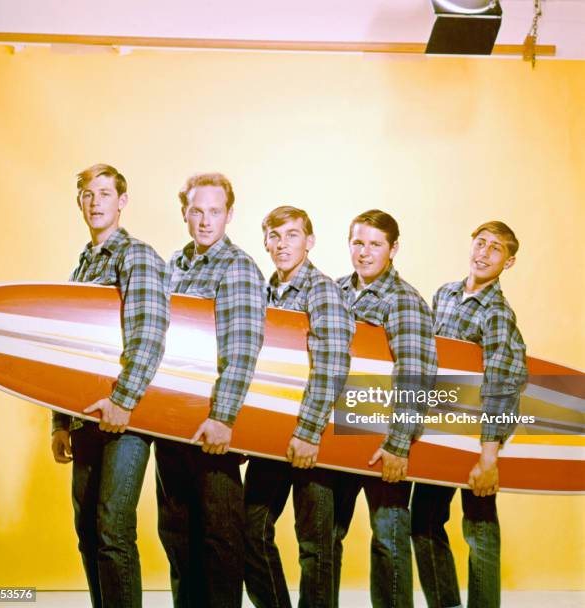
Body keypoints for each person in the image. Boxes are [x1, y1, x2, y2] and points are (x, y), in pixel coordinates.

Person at [51, 163, 169, 608]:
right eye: (87, 193)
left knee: (111, 530)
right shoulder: (81, 266)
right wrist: (59, 422)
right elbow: (68, 353)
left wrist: (123, 401)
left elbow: (150, 334)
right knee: (87, 531)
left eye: (104, 193)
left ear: (121, 201)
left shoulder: (136, 256)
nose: (95, 201)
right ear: (79, 201)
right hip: (84, 416)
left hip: (126, 417)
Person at [156, 172, 266, 608]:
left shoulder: (237, 267)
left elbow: (242, 348)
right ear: (185, 213)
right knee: (177, 534)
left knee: (219, 540)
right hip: (170, 425)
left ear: (229, 215)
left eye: (214, 212)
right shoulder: (173, 266)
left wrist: (223, 417)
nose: (205, 221)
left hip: (212, 426)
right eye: (197, 211)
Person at [410, 221, 528, 608]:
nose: (483, 253)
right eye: (480, 243)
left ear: (507, 263)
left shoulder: (497, 313)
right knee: (424, 522)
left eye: (495, 249)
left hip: (479, 434)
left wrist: (488, 456)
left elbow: (502, 384)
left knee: (479, 529)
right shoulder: (444, 294)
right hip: (440, 429)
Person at [244, 205, 354, 608]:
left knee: (315, 545)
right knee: (249, 530)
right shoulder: (264, 292)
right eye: (274, 236)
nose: (281, 244)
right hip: (272, 438)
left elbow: (333, 363)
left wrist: (308, 433)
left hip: (313, 437)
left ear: (309, 242)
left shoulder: (322, 290)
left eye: (292, 235)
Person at [333, 209, 438, 608]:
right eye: (358, 242)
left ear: (393, 249)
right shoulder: (336, 290)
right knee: (326, 536)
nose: (364, 252)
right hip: (338, 433)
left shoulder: (404, 300)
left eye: (375, 244)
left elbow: (416, 373)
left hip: (382, 438)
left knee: (389, 537)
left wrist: (398, 444)